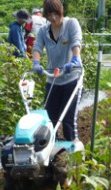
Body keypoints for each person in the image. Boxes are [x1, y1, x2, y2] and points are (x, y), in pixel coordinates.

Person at [32, 0, 83, 141]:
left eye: (55, 14)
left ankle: (73, 152)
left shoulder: (71, 24)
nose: (53, 18)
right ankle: (52, 154)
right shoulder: (43, 31)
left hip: (72, 78)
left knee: (68, 119)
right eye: (49, 15)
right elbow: (37, 48)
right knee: (50, 119)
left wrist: (75, 59)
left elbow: (76, 42)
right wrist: (36, 63)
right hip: (53, 79)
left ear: (61, 11)